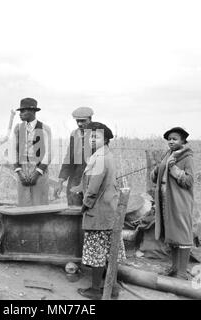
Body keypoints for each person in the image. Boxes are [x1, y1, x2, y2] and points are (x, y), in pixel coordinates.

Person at [74, 122, 126, 300]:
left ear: (106, 139)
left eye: (96, 136)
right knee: (108, 251)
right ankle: (111, 287)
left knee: (97, 252)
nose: (92, 139)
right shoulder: (105, 155)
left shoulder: (100, 157)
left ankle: (96, 290)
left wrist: (85, 206)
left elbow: (94, 187)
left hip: (99, 210)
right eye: (90, 136)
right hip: (108, 209)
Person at [150, 127, 194, 280]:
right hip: (166, 201)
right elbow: (155, 177)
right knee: (172, 234)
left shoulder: (187, 157)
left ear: (183, 141)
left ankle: (182, 273)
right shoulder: (168, 155)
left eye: (175, 138)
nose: (171, 141)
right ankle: (174, 268)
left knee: (182, 234)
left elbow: (189, 181)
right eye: (169, 139)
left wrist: (173, 168)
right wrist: (158, 170)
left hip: (180, 202)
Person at [13, 97, 52, 206]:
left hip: (39, 169)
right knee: (24, 204)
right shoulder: (18, 128)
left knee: (39, 203)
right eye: (20, 111)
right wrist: (19, 172)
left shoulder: (44, 128)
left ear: (32, 111)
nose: (20, 114)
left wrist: (38, 172)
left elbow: (49, 153)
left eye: (23, 111)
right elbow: (13, 151)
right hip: (23, 170)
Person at [54, 107, 94, 206]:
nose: (80, 124)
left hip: (92, 179)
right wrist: (60, 181)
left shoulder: (97, 135)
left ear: (90, 119)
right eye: (77, 121)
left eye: (83, 121)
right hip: (75, 177)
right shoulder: (74, 134)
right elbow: (69, 158)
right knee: (72, 205)